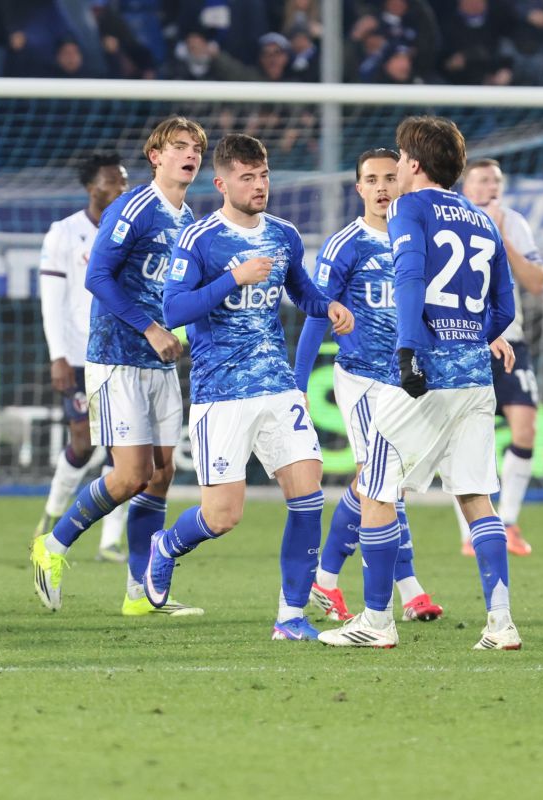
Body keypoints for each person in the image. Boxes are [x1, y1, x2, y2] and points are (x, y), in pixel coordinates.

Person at [142, 133, 354, 641]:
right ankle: (166, 547)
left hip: (278, 388)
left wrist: (329, 306)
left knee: (308, 497)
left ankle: (290, 616)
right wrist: (233, 279)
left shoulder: (283, 234)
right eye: (247, 178)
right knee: (223, 514)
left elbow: (301, 290)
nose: (259, 186)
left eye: (263, 176)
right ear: (221, 183)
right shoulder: (199, 240)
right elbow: (173, 311)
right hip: (222, 393)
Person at [317, 116, 519, 650]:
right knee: (477, 497)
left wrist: (411, 347)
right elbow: (506, 307)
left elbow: (408, 275)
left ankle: (376, 622)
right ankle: (501, 625)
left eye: (402, 160)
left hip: (423, 373)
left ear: (413, 164)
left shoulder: (410, 207)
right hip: (475, 376)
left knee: (377, 485)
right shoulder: (483, 219)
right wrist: (472, 338)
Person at [30, 118, 207, 617]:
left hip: (160, 364)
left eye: (195, 147)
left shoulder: (184, 215)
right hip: (116, 359)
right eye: (178, 146)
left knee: (161, 473)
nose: (189, 154)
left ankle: (140, 594)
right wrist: (150, 328)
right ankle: (53, 545)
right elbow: (98, 277)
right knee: (129, 475)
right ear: (156, 155)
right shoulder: (132, 207)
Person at [292, 147, 443, 624]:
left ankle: (326, 580)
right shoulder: (345, 245)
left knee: (380, 485)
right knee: (380, 483)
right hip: (360, 379)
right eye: (371, 179)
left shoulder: (417, 239)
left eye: (389, 178)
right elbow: (318, 314)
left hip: (405, 381)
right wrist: (298, 386)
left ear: (403, 183)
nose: (381, 187)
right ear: (359, 188)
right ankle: (410, 589)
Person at [35, 152, 130, 564]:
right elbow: (51, 301)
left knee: (123, 448)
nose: (123, 188)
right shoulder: (64, 232)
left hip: (119, 353)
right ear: (94, 189)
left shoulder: (130, 232)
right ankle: (51, 516)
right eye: (115, 182)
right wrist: (57, 355)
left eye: (125, 181)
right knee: (81, 438)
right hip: (76, 354)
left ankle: (110, 541)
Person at [456, 158, 543, 558]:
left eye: (496, 180)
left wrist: (502, 237)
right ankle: (471, 532)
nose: (490, 186)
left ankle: (507, 521)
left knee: (525, 428)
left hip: (511, 337)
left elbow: (538, 282)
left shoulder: (514, 221)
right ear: (465, 186)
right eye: (481, 179)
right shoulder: (452, 217)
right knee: (465, 439)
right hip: (463, 339)